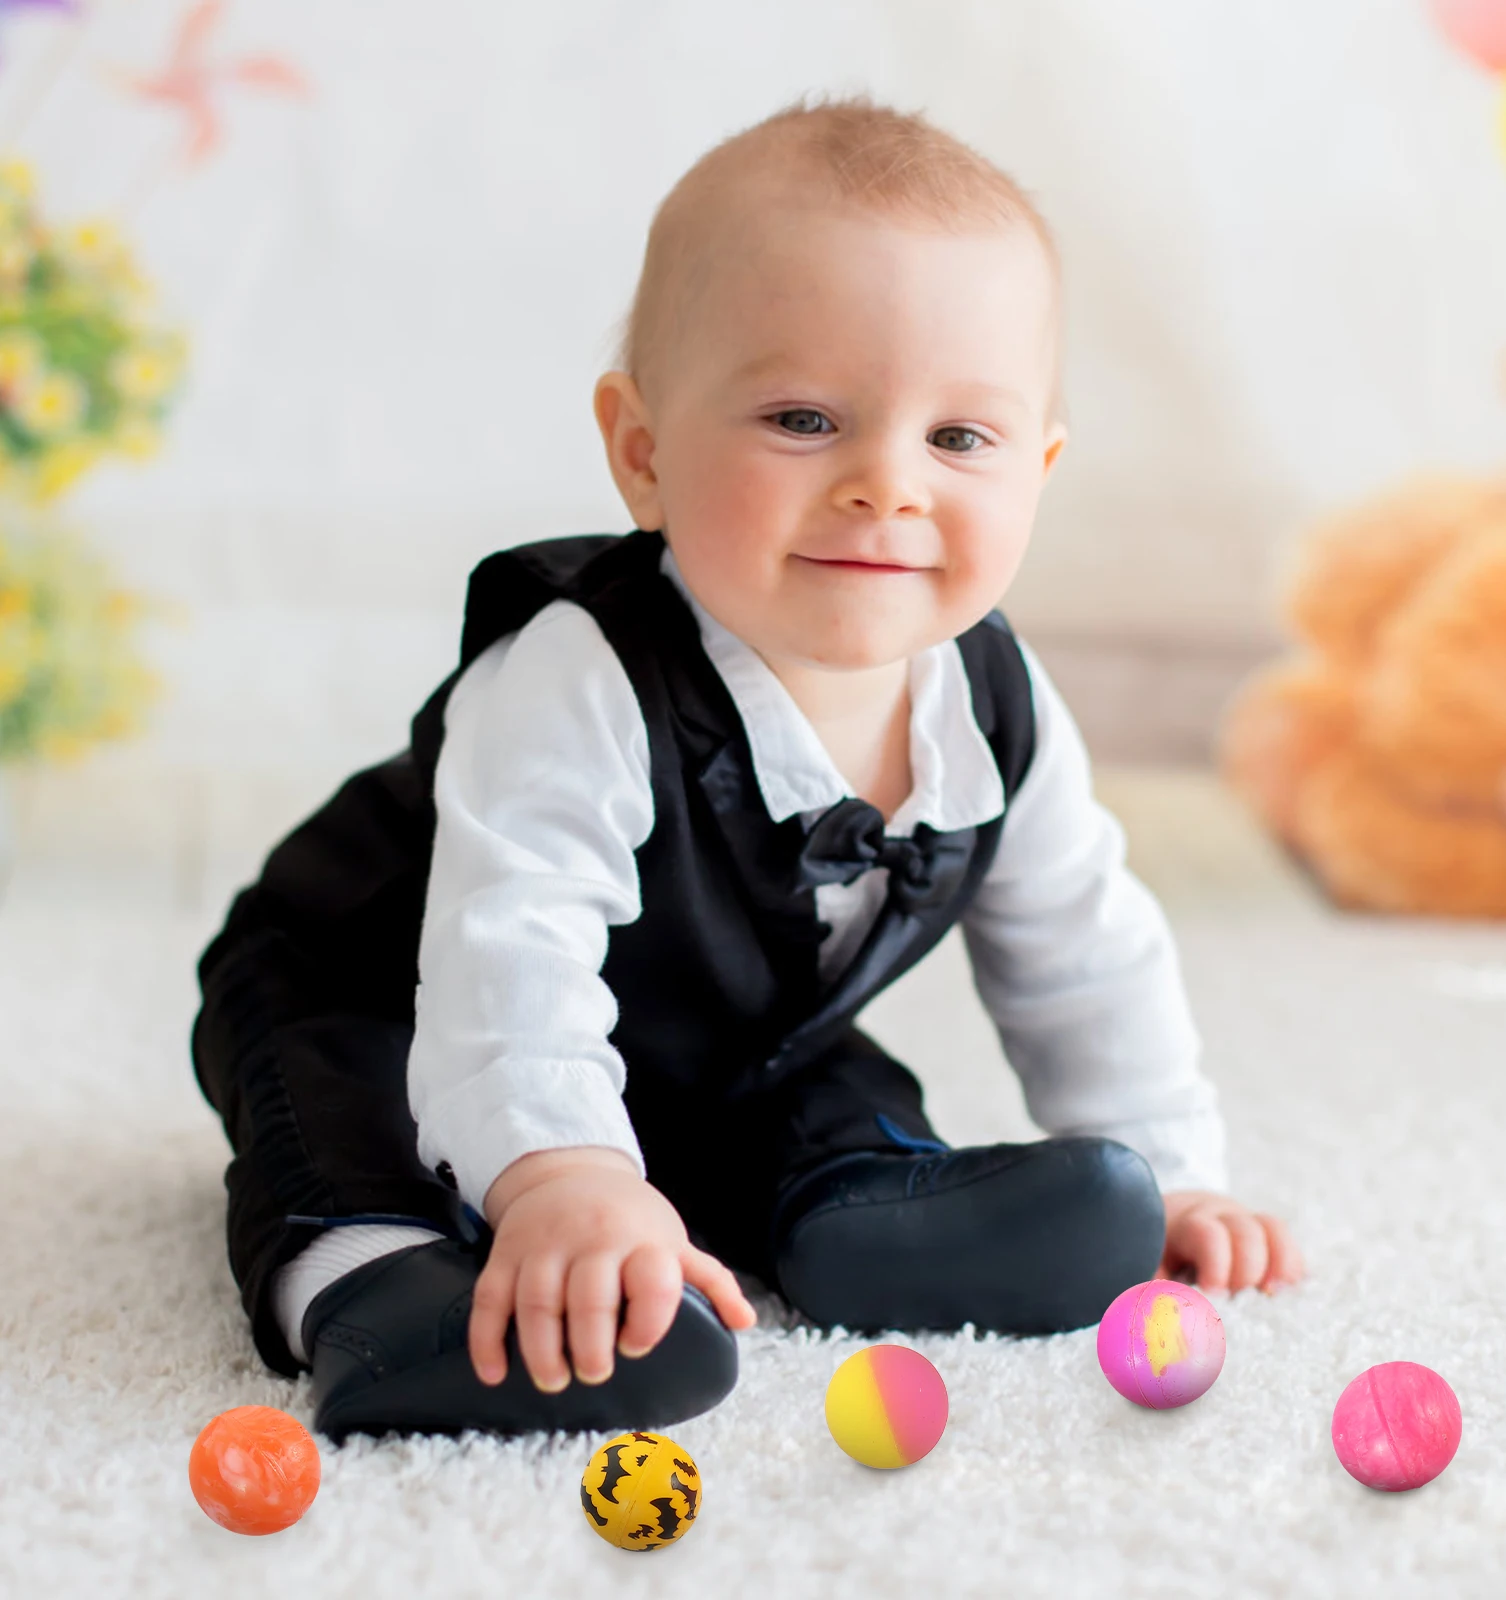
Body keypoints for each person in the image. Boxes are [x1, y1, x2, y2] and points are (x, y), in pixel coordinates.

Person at [192, 92, 1303, 1445]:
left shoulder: (996, 710)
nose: (887, 485)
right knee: (343, 1111)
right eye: (802, 419)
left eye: (960, 438)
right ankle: (383, 1300)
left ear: (1041, 468)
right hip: (389, 984)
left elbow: (1085, 948)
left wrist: (1177, 1177)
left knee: (812, 1085)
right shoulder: (577, 673)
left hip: (702, 1037)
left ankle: (867, 1209)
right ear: (643, 451)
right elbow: (509, 953)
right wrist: (560, 1177)